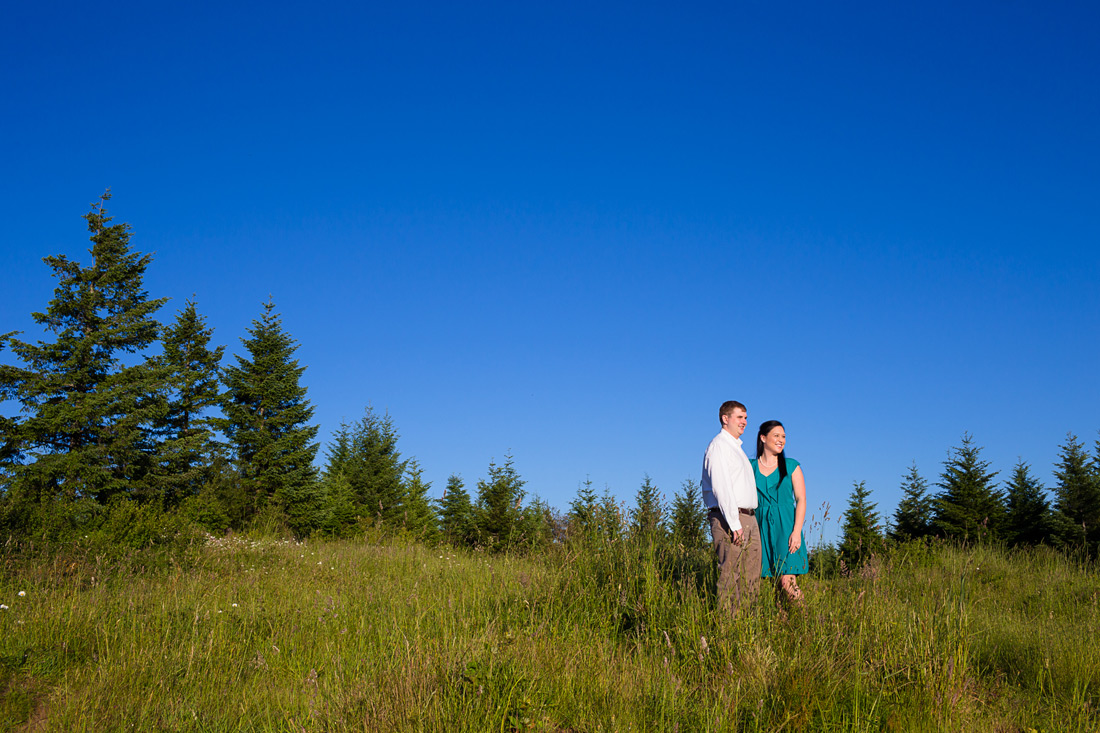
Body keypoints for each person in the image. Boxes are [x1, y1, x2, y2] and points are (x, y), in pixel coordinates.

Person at [701, 400, 761, 614]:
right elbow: (721, 487)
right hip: (730, 517)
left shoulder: (736, 449)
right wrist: (734, 523)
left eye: (746, 418)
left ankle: (748, 624)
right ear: (725, 419)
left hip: (748, 517)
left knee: (751, 575)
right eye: (740, 417)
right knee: (730, 574)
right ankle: (727, 626)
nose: (744, 422)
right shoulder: (719, 446)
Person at [750, 420, 808, 606]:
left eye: (783, 436)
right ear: (763, 438)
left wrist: (796, 531)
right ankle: (783, 621)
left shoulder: (791, 466)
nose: (781, 440)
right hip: (760, 527)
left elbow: (801, 499)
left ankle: (806, 618)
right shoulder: (750, 467)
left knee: (787, 581)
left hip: (787, 528)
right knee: (774, 582)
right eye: (776, 435)